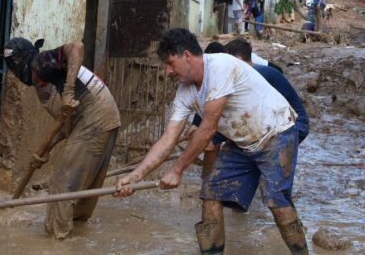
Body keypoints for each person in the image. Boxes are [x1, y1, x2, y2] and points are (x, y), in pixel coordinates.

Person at [115, 28, 309, 255]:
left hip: (277, 132)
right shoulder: (185, 92)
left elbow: (208, 129)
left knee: (276, 199)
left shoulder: (220, 66)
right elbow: (168, 138)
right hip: (243, 142)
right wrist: (134, 176)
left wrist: (177, 169)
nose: (167, 71)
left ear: (187, 55)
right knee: (210, 192)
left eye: (170, 63)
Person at [4, 38, 120, 239]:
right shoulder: (45, 79)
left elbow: (76, 47)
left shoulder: (39, 63)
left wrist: (67, 92)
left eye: (13, 68)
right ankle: (79, 232)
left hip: (94, 113)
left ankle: (58, 241)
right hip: (106, 114)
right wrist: (46, 149)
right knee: (87, 181)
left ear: (18, 62)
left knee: (61, 182)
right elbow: (67, 123)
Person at [225, 38, 309, 143]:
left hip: (295, 124)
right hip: (282, 121)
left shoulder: (256, 75)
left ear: (237, 59)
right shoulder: (255, 71)